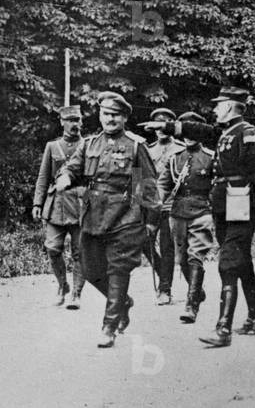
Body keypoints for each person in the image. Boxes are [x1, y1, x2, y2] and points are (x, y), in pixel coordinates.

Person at [140, 86, 255, 347]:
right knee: (240, 259)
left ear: (232, 106)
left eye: (220, 105)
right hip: (223, 202)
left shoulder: (247, 132)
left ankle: (223, 329)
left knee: (228, 262)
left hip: (239, 200)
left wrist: (239, 185)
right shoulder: (224, 133)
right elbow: (199, 130)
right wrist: (167, 126)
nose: (215, 109)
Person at [55, 92, 160, 348]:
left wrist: (150, 220)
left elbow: (145, 185)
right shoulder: (89, 144)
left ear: (124, 118)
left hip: (125, 218)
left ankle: (109, 326)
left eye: (115, 115)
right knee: (90, 271)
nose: (110, 119)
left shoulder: (135, 146)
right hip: (93, 216)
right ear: (99, 115)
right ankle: (123, 302)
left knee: (118, 270)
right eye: (105, 114)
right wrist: (65, 177)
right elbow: (73, 167)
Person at [157, 112, 215, 324]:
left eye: (194, 130)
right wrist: (155, 202)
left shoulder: (210, 157)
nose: (189, 136)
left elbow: (217, 187)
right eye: (186, 131)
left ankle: (191, 306)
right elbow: (163, 184)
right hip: (178, 213)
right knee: (181, 260)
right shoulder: (176, 158)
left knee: (195, 256)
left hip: (202, 212)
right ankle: (197, 289)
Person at [32, 105, 86, 308]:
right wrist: (37, 203)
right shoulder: (52, 147)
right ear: (62, 122)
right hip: (55, 205)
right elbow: (43, 177)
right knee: (53, 248)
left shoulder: (88, 145)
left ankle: (77, 294)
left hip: (81, 205)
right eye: (70, 120)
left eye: (77, 120)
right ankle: (63, 285)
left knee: (80, 252)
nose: (75, 124)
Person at [145, 108, 184, 305]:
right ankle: (164, 275)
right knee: (145, 244)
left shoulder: (180, 149)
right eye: (156, 124)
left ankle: (165, 289)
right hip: (152, 205)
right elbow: (139, 177)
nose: (159, 129)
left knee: (168, 247)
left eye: (164, 123)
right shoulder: (147, 150)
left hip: (172, 205)